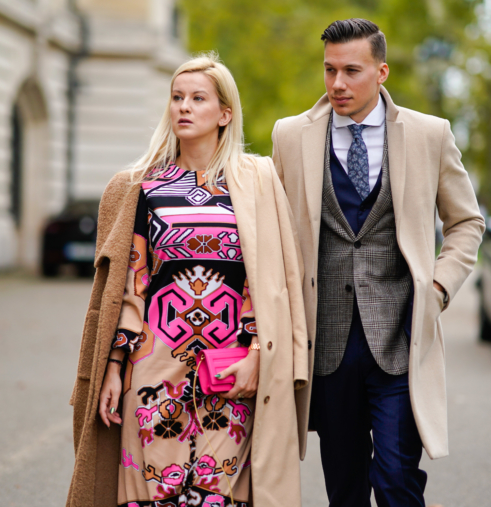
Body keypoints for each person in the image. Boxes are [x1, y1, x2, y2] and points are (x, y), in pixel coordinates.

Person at [66, 54, 309, 507]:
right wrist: (114, 368)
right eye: (177, 97)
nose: (184, 107)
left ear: (225, 113)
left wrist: (259, 354)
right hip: (154, 370)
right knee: (155, 495)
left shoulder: (255, 182)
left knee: (217, 496)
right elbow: (131, 284)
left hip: (231, 370)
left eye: (198, 98)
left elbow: (268, 280)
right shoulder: (143, 186)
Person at [271, 19, 485, 507]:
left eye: (351, 70)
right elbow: (276, 235)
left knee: (395, 480)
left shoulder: (430, 134)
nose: (338, 84)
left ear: (381, 71)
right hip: (325, 346)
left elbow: (466, 223)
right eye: (329, 71)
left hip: (401, 343)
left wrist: (438, 289)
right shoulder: (290, 136)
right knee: (344, 488)